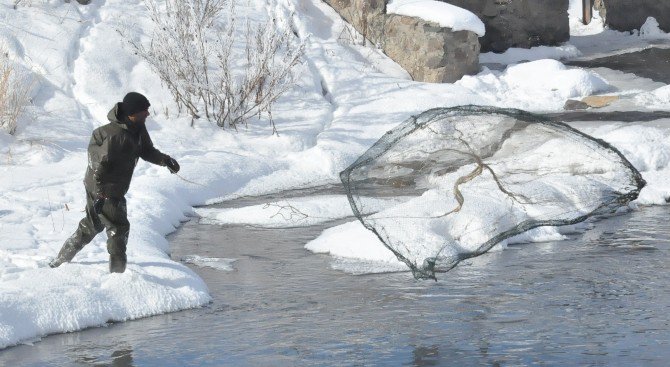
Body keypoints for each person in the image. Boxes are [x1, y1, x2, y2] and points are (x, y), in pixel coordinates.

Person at [49, 92, 180, 273]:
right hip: (104, 187)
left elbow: (146, 150)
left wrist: (165, 160)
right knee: (118, 228)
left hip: (106, 186)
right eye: (144, 111)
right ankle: (119, 274)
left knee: (93, 224)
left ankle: (59, 261)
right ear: (132, 113)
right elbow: (99, 167)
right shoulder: (114, 137)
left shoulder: (137, 128)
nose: (148, 114)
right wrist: (101, 195)